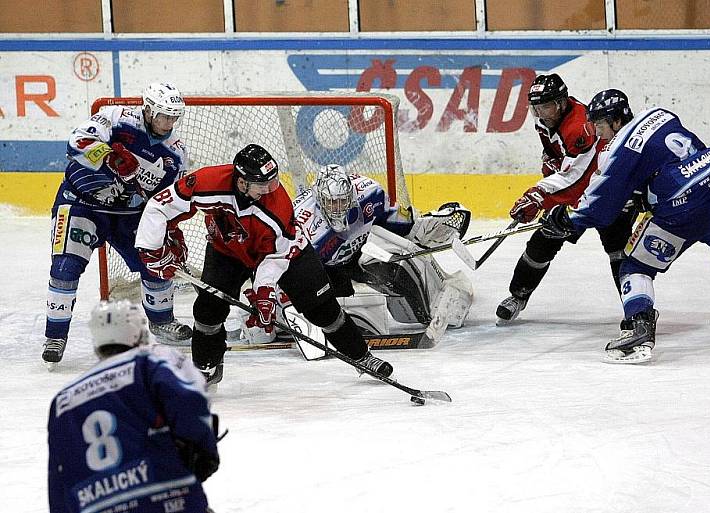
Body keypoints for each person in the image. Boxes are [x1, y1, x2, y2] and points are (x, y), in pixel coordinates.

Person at [541, 88, 710, 363]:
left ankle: (640, 329)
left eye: (601, 125)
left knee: (634, 266)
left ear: (616, 120)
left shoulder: (618, 149)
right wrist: (644, 195)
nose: (598, 132)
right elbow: (667, 159)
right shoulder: (660, 114)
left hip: (684, 208)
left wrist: (568, 218)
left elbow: (600, 206)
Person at [134, 144, 394, 384]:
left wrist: (265, 292)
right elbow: (159, 206)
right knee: (207, 311)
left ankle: (362, 357)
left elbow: (277, 256)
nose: (271, 189)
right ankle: (206, 367)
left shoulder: (277, 208)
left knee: (323, 310)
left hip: (287, 254)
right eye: (263, 184)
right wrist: (151, 250)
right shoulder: (208, 182)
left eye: (274, 181)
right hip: (227, 251)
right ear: (242, 181)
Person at [43, 82, 192, 365]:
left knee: (156, 261)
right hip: (80, 202)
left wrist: (171, 230)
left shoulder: (175, 155)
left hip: (130, 215)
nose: (169, 122)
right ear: (148, 110)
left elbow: (168, 200)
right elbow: (76, 143)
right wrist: (109, 156)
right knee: (65, 266)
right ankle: (55, 335)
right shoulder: (116, 118)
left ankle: (162, 323)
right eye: (164, 115)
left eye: (174, 117)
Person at [47, 300, 221, 513]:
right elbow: (190, 400)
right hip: (167, 495)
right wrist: (205, 450)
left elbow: (59, 475)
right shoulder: (151, 361)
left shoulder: (63, 400)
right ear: (139, 333)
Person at [496, 74, 639, 325]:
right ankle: (517, 296)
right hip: (579, 188)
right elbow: (556, 156)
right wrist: (549, 168)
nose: (541, 112)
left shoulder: (579, 127)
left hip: (608, 191)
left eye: (546, 106)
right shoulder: (545, 121)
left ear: (561, 103)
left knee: (619, 252)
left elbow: (575, 179)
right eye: (536, 107)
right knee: (542, 243)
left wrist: (539, 195)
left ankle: (636, 311)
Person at [289, 164, 473, 340]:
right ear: (319, 200)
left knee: (390, 263)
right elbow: (290, 268)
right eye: (331, 202)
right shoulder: (303, 223)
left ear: (351, 195)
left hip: (356, 255)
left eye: (343, 201)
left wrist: (421, 229)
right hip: (324, 271)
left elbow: (395, 222)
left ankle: (429, 303)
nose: (338, 208)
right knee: (325, 306)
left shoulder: (369, 192)